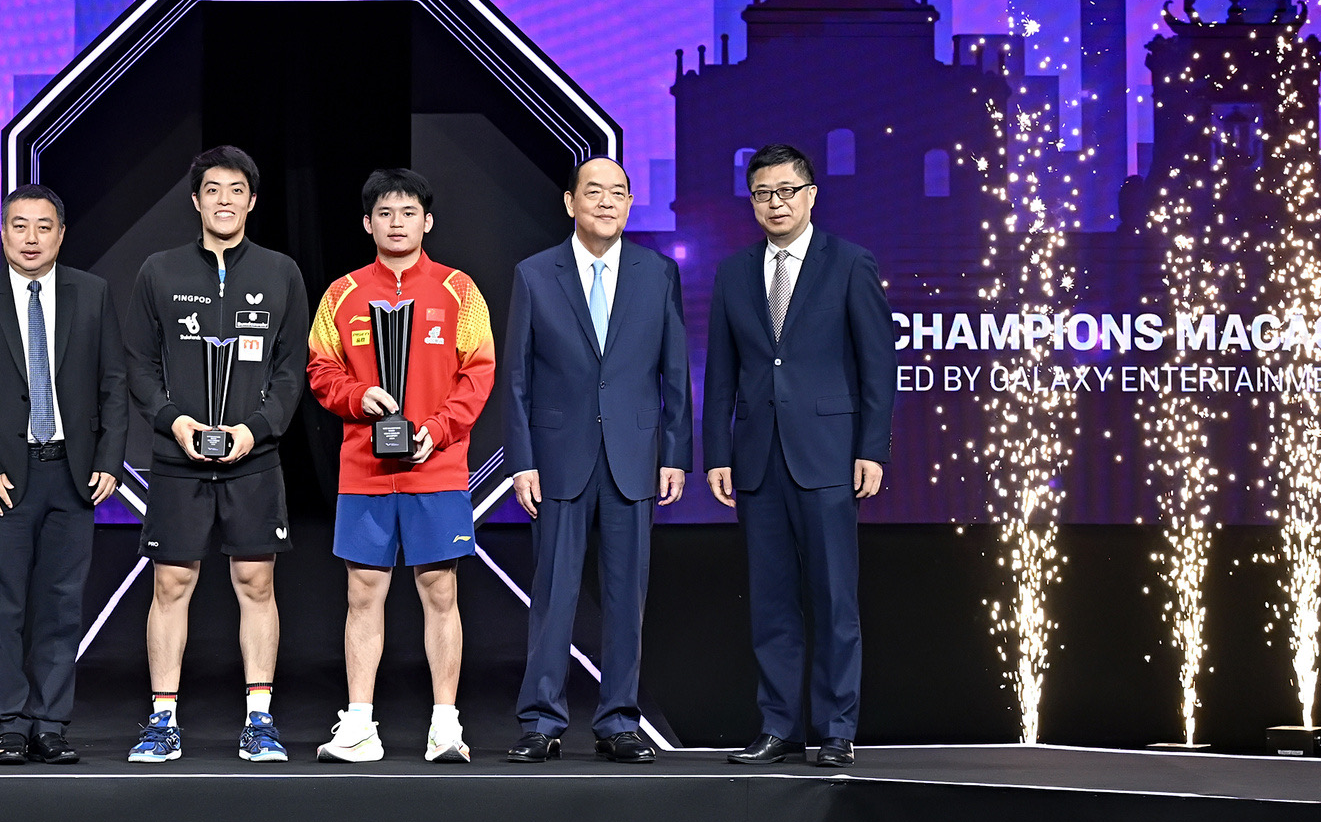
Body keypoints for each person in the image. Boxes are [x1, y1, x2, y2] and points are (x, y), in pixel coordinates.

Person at [701, 142, 893, 768]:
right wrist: (718, 453)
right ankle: (779, 726)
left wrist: (871, 448)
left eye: (786, 191)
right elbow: (721, 374)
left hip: (829, 455)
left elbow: (878, 367)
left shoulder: (850, 263)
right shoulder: (734, 272)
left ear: (811, 195)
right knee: (771, 601)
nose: (775, 203)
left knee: (835, 598)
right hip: (757, 458)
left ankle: (837, 729)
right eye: (763, 193)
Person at [122, 146, 310, 762]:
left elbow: (292, 369)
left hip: (253, 457)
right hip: (178, 458)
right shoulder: (159, 271)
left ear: (252, 201)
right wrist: (173, 421)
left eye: (236, 190)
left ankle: (259, 720)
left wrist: (257, 429)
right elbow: (139, 364)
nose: (224, 200)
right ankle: (162, 721)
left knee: (256, 581)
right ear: (196, 200)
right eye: (212, 189)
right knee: (171, 582)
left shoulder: (281, 272)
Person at [500, 157, 691, 764]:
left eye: (618, 193)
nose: (607, 202)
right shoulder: (535, 274)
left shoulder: (657, 273)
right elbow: (517, 379)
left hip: (634, 455)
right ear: (570, 202)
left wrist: (675, 454)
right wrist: (522, 461)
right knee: (554, 593)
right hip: (559, 457)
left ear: (630, 204)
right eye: (594, 191)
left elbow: (675, 372)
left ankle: (619, 720)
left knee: (627, 597)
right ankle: (541, 720)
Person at [307, 168, 495, 763]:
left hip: (436, 468)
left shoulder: (459, 291)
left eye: (408, 212)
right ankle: (360, 724)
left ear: (427, 221)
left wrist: (435, 431)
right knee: (363, 591)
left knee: (440, 588)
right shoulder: (341, 294)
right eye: (385, 213)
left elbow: (478, 374)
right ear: (367, 223)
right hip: (364, 469)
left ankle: (446, 725)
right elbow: (320, 370)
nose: (397, 223)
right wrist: (355, 395)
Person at [0, 184, 126, 765]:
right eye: (19, 226)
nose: (31, 238)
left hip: (73, 474)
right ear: (2, 234)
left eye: (44, 226)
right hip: (5, 480)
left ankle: (50, 721)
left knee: (61, 603)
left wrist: (108, 461)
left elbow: (114, 384)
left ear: (61, 235)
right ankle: (8, 723)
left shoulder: (92, 294)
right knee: (3, 604)